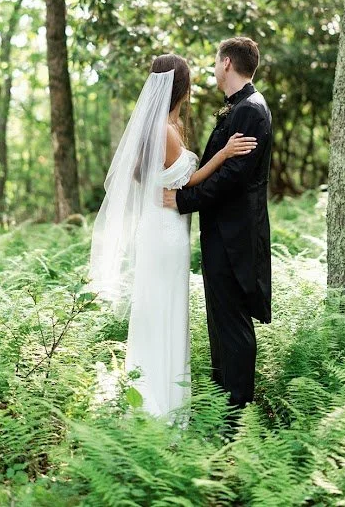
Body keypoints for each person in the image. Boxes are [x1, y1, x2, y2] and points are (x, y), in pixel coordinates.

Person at [88, 53, 256, 422]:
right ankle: (156, 406)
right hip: (164, 231)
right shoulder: (163, 130)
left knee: (166, 308)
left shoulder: (168, 125)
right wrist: (224, 154)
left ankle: (160, 398)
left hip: (168, 228)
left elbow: (161, 178)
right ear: (183, 85)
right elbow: (188, 181)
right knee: (160, 309)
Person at [164, 37, 272, 411]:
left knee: (233, 323)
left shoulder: (251, 111)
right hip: (222, 235)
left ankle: (237, 415)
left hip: (236, 237)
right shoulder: (238, 108)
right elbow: (221, 169)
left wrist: (182, 200)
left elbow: (233, 177)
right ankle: (222, 404)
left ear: (227, 63)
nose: (212, 69)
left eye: (214, 62)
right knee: (220, 321)